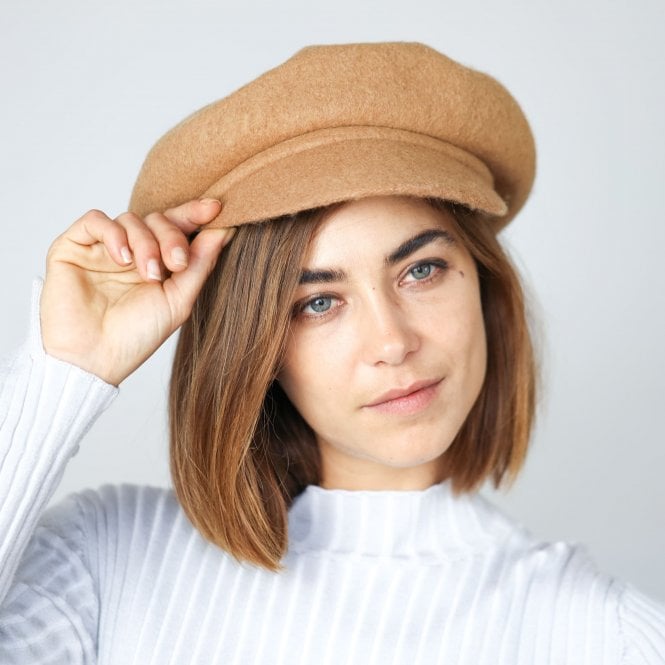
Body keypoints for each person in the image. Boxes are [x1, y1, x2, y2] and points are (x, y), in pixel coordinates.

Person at [0, 42, 663, 664]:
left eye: (422, 270)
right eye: (317, 302)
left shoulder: (600, 635)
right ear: (255, 348)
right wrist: (64, 372)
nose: (392, 342)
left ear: (484, 283)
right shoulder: (102, 562)